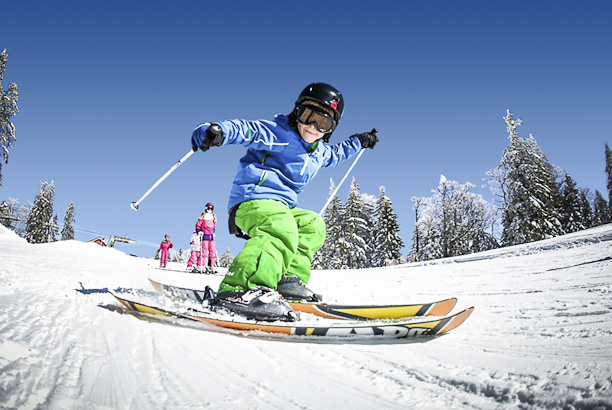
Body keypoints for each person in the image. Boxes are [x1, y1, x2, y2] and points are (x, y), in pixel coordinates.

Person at [191, 82, 378, 321]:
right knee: (281, 226)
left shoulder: (319, 151)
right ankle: (241, 288)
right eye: (308, 115)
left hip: (281, 208)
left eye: (323, 123)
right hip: (253, 200)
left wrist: (359, 141)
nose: (312, 126)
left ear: (330, 129)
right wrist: (215, 131)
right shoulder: (277, 132)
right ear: (296, 111)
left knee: (312, 224)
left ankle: (287, 281)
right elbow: (247, 130)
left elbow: (336, 154)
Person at [195, 202, 217, 273]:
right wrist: (199, 231)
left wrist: (213, 232)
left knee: (213, 251)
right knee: (204, 252)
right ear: (206, 208)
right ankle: (200, 265)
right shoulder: (203, 216)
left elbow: (213, 226)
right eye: (208, 208)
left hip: (211, 236)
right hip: (205, 236)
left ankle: (212, 266)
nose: (210, 210)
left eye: (211, 208)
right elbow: (198, 225)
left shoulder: (213, 216)